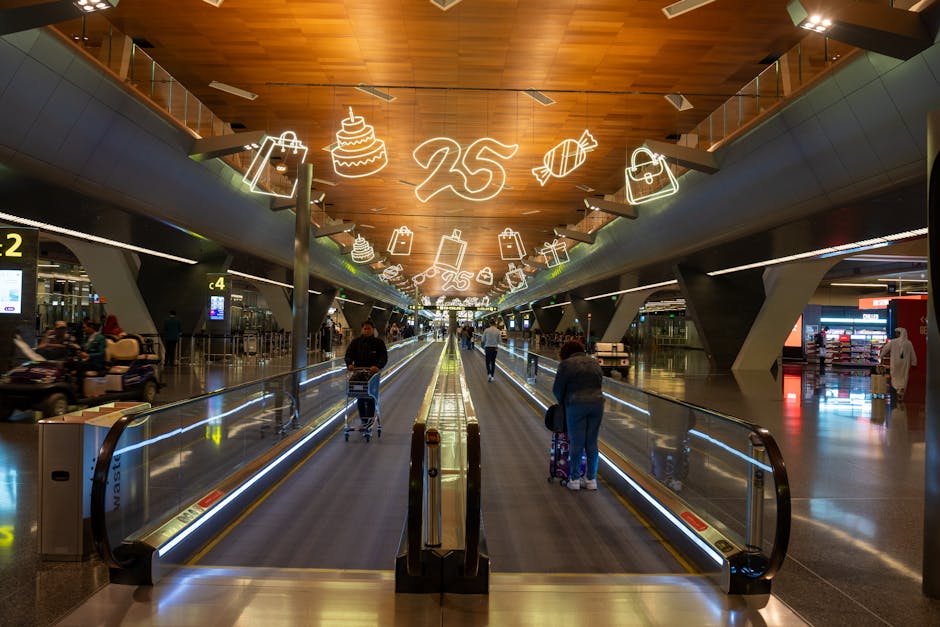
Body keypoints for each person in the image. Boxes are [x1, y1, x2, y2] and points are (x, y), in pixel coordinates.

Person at [552, 340, 604, 491]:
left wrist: (562, 402)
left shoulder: (566, 364)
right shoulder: (594, 363)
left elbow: (557, 389)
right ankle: (591, 479)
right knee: (592, 443)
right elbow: (599, 383)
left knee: (577, 442)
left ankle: (574, 479)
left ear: (565, 353)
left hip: (576, 405)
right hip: (597, 404)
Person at [344, 320, 388, 420]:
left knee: (371, 397)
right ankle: (364, 420)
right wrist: (349, 364)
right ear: (362, 330)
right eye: (365, 329)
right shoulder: (356, 342)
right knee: (360, 397)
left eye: (369, 329)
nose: (366, 331)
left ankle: (369, 420)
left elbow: (383, 357)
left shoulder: (379, 343)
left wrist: (377, 366)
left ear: (373, 330)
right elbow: (349, 355)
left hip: (372, 375)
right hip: (358, 373)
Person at [880, 326, 917, 401]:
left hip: (895, 362)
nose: (896, 334)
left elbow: (885, 349)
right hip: (905, 364)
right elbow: (913, 354)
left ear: (900, 334)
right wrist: (914, 363)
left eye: (897, 333)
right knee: (903, 376)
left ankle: (898, 389)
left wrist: (881, 356)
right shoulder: (908, 343)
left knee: (895, 376)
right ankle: (901, 389)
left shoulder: (893, 342)